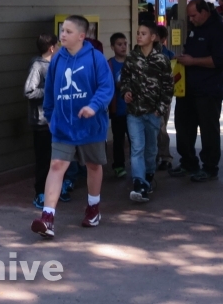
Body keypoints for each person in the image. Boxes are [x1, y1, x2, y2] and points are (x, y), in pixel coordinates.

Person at [32, 16, 114, 239]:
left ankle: (93, 208)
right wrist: (50, 115)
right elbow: (50, 90)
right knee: (57, 165)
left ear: (81, 36)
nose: (63, 35)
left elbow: (106, 88)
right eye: (62, 30)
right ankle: (47, 218)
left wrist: (93, 106)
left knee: (93, 166)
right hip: (63, 127)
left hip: (91, 127)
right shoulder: (57, 59)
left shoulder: (96, 58)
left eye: (68, 31)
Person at [170, 0, 223, 182]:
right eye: (189, 16)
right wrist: (183, 59)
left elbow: (219, 61)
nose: (191, 19)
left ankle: (210, 167)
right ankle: (188, 162)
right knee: (183, 126)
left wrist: (193, 61)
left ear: (205, 12)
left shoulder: (219, 30)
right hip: (188, 87)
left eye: (194, 15)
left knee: (208, 129)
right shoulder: (194, 29)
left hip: (210, 88)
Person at [119, 24, 174, 202]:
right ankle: (139, 184)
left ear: (153, 37)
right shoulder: (131, 58)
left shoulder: (161, 59)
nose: (139, 36)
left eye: (143, 33)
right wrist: (125, 92)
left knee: (151, 149)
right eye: (138, 33)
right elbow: (124, 79)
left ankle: (148, 176)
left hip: (153, 112)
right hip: (134, 112)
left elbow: (168, 87)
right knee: (137, 148)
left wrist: (160, 109)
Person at [24, 34, 58, 209]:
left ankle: (55, 191)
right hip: (42, 122)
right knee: (43, 159)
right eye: (57, 45)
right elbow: (29, 91)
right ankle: (40, 193)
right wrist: (49, 92)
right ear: (52, 48)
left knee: (56, 159)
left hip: (55, 121)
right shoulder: (38, 66)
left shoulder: (55, 64)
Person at [107, 33, 129, 178]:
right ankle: (119, 165)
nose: (123, 47)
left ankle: (138, 165)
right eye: (119, 44)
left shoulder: (131, 62)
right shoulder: (109, 64)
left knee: (135, 139)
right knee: (118, 139)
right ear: (112, 47)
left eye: (125, 44)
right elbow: (106, 84)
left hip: (132, 110)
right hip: (117, 109)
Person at [154, 24, 175, 171]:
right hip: (149, 96)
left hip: (163, 96)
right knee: (155, 126)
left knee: (161, 127)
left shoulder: (169, 55)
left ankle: (165, 156)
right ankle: (156, 155)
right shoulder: (142, 53)